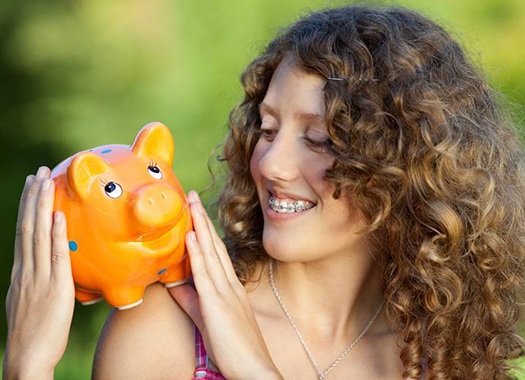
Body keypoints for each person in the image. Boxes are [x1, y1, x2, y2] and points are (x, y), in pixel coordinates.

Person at [4, 4, 525, 379]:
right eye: (268, 129)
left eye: (319, 139)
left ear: (407, 169)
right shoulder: (166, 333)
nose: (271, 163)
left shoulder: (449, 359)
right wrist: (27, 366)